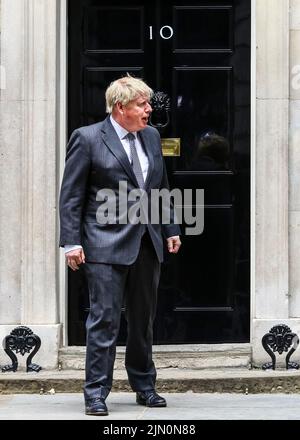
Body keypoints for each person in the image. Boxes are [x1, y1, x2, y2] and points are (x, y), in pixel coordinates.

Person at [59, 75, 181, 416]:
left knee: (143, 321)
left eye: (148, 103)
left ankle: (144, 386)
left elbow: (160, 187)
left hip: (146, 241)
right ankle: (96, 392)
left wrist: (170, 227)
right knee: (105, 320)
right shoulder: (87, 139)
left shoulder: (152, 136)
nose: (148, 110)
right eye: (142, 104)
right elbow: (71, 196)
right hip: (103, 244)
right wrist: (71, 242)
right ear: (120, 108)